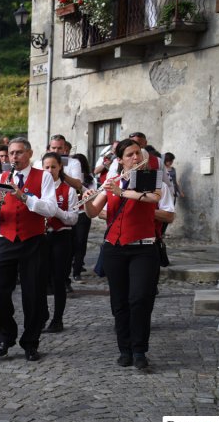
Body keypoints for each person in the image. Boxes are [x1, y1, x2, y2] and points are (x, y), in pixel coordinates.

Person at [83, 138, 163, 369]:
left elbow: (153, 198)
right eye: (130, 154)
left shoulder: (150, 177)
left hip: (144, 248)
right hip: (114, 248)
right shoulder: (112, 180)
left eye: (138, 153)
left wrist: (123, 192)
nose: (136, 158)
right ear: (120, 159)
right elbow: (93, 212)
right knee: (119, 302)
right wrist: (87, 200)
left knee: (140, 299)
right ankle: (125, 349)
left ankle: (140, 350)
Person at [0, 137, 57, 361]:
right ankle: (6, 335)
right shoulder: (0, 177)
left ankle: (30, 342)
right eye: (12, 153)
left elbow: (51, 209)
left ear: (29, 153)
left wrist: (24, 197)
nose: (14, 157)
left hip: (33, 240)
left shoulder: (43, 177)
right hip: (6, 238)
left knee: (33, 295)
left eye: (19, 153)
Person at [40, 153, 78, 333]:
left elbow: (73, 219)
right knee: (39, 279)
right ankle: (42, 315)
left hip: (61, 238)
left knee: (58, 280)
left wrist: (57, 212)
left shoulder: (68, 190)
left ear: (59, 168)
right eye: (46, 167)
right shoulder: (38, 189)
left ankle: (58, 319)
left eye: (53, 167)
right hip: (41, 238)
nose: (49, 170)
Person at [70, 154, 95, 281]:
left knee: (81, 242)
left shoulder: (89, 179)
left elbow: (93, 195)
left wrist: (84, 193)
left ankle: (77, 270)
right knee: (69, 242)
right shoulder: (67, 177)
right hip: (68, 213)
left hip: (83, 214)